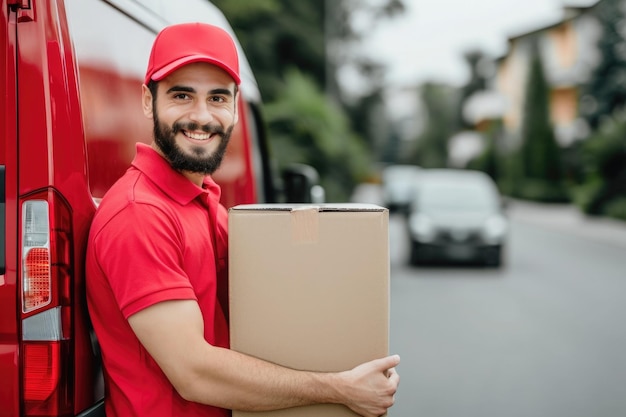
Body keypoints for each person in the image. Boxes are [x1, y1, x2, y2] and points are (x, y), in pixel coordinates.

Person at [85, 22, 400, 417]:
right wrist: (340, 388)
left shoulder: (206, 205)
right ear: (148, 101)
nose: (201, 117)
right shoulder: (140, 214)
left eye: (217, 98)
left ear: (235, 107)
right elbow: (194, 373)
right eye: (182, 95)